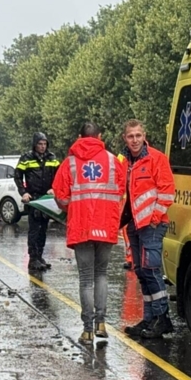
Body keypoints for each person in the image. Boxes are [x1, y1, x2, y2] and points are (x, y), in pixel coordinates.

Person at [52, 122, 126, 345]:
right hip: (106, 224)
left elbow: (61, 196)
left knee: (86, 280)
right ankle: (101, 323)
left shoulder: (70, 163)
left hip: (82, 226)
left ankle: (87, 330)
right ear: (100, 136)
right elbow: (121, 190)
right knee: (101, 274)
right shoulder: (113, 161)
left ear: (79, 136)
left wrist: (73, 207)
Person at [119, 119, 176, 339]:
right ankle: (150, 318)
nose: (134, 140)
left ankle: (162, 318)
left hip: (152, 224)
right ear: (125, 138)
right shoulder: (124, 162)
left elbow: (167, 191)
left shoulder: (157, 159)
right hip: (134, 224)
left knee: (151, 270)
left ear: (144, 136)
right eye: (130, 136)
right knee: (142, 271)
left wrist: (154, 217)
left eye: (138, 136)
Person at [14, 132, 60, 271]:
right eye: (40, 144)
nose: (42, 147)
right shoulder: (26, 158)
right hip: (33, 198)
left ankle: (40, 256)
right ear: (35, 144)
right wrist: (24, 192)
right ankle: (33, 258)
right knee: (34, 229)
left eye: (45, 144)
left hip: (47, 198)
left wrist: (54, 188)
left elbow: (59, 176)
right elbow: (17, 176)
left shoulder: (52, 158)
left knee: (43, 229)